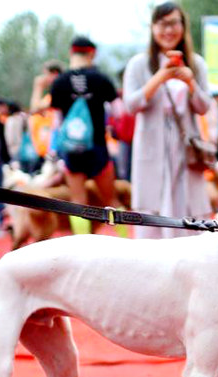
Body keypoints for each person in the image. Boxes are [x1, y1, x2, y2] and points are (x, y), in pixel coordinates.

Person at [122, 1, 213, 240]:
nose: (168, 30)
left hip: (185, 152)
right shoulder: (139, 64)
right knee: (150, 214)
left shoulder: (197, 64)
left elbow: (204, 108)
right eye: (162, 24)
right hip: (151, 151)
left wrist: (191, 82)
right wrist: (159, 78)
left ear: (183, 27)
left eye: (174, 23)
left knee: (187, 215)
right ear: (152, 28)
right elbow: (131, 105)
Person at [48, 36, 121, 234]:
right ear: (92, 54)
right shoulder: (102, 79)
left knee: (78, 203)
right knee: (111, 201)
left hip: (72, 150)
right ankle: (126, 242)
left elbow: (56, 122)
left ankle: (81, 248)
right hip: (98, 147)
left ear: (71, 53)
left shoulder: (59, 83)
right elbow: (118, 112)